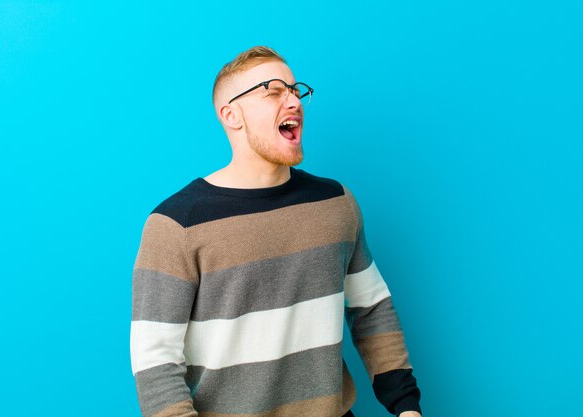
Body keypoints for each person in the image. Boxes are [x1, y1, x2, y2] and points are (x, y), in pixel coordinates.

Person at [130, 46, 423, 417]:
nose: (293, 101)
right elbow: (155, 362)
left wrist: (406, 407)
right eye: (273, 90)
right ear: (231, 115)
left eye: (295, 90)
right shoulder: (177, 225)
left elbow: (371, 309)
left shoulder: (335, 203)